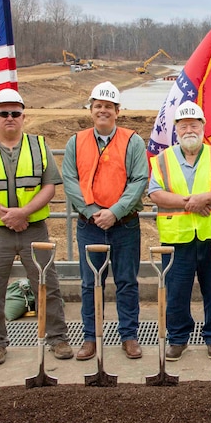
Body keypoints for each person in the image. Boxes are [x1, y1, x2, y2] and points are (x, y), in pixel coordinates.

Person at [0, 88, 73, 366]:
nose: (9, 117)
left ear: (23, 117)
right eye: (4, 113)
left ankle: (57, 338)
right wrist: (7, 216)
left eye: (15, 113)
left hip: (33, 229)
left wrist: (23, 213)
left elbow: (50, 187)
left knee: (47, 286)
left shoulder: (39, 145)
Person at [61, 81, 148, 361]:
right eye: (98, 105)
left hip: (125, 225)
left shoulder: (133, 141)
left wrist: (115, 212)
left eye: (108, 106)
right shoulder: (75, 142)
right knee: (90, 284)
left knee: (126, 282)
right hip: (90, 226)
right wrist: (92, 211)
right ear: (91, 109)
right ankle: (90, 337)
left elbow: (139, 180)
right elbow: (70, 180)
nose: (103, 110)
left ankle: (129, 336)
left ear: (117, 111)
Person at [148, 101, 211, 361]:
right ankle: (178, 339)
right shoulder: (163, 160)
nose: (189, 130)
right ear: (176, 129)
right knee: (176, 292)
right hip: (176, 238)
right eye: (184, 126)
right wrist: (190, 203)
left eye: (194, 125)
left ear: (203, 127)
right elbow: (155, 193)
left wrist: (203, 198)